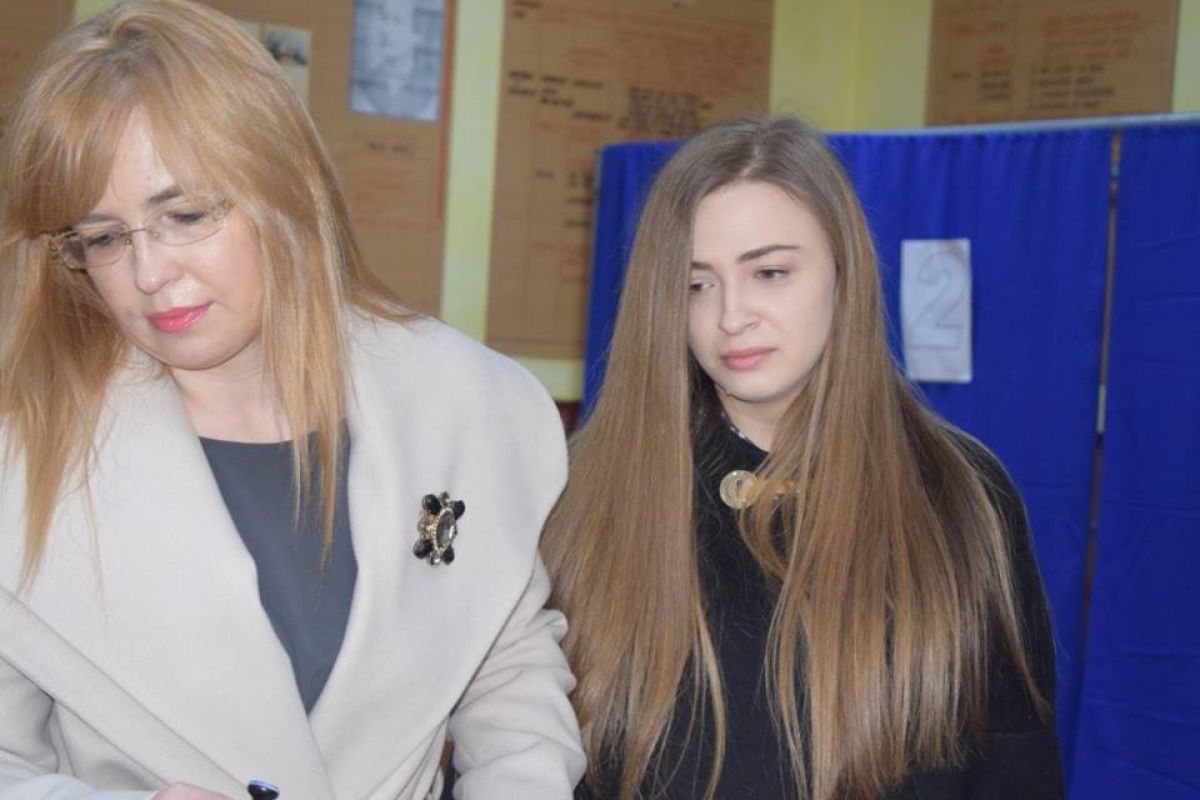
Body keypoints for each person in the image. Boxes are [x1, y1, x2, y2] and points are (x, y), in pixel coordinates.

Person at [0, 2, 583, 798]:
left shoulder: (467, 406)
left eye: (186, 215)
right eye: (103, 238)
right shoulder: (24, 460)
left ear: (285, 188)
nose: (149, 274)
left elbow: (510, 682)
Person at [542, 117, 1062, 800]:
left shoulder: (960, 491)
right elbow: (519, 744)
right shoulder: (584, 492)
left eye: (770, 272)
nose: (732, 316)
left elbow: (1016, 762)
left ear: (844, 272)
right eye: (697, 284)